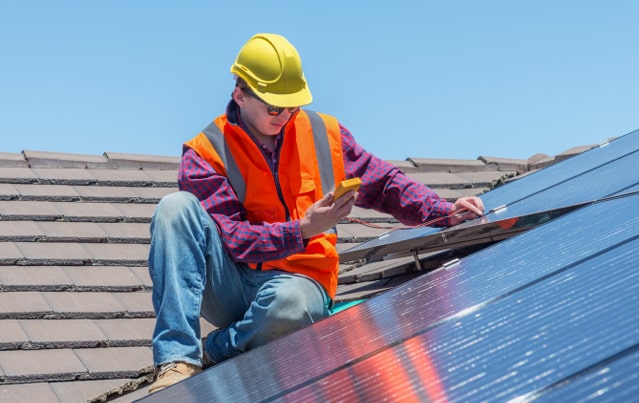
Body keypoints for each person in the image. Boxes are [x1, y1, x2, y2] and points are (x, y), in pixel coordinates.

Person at [147, 33, 484, 394]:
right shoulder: (206, 152)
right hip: (231, 284)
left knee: (292, 309)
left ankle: (217, 348)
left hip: (298, 287)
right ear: (240, 95)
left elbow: (384, 183)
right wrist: (304, 229)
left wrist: (442, 211)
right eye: (275, 108)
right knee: (174, 208)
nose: (285, 116)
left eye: (292, 106)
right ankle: (177, 359)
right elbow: (235, 239)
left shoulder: (323, 134)